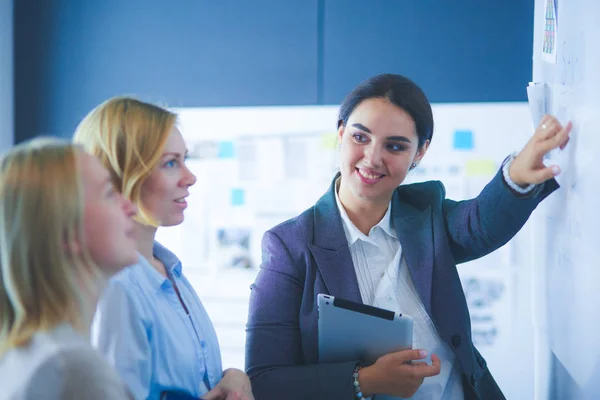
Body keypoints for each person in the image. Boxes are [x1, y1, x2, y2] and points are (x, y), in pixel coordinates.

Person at [245, 73, 571, 399]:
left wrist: (515, 176)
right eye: (361, 137)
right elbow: (264, 381)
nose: (373, 158)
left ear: (419, 153)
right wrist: (364, 380)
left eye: (395, 146)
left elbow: (480, 225)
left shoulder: (426, 213)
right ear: (341, 133)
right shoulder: (289, 247)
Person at [73, 97, 254, 400]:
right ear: (120, 175)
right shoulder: (115, 287)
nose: (190, 177)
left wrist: (232, 377)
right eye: (171, 163)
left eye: (186, 159)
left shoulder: (169, 271)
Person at [0, 138, 138, 399]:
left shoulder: (25, 353)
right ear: (65, 230)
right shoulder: (73, 370)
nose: (130, 207)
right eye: (109, 193)